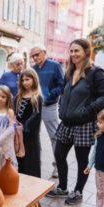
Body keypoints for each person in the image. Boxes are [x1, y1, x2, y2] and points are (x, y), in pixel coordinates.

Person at [47, 39, 104, 205]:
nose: (74, 54)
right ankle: (62, 187)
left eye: (77, 50)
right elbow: (64, 93)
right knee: (59, 154)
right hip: (66, 123)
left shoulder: (95, 72)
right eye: (71, 51)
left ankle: (78, 191)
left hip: (83, 124)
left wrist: (87, 110)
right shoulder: (69, 72)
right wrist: (62, 107)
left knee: (82, 160)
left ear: (86, 51)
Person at [31, 44, 64, 178]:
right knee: (33, 136)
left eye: (37, 54)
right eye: (33, 55)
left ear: (44, 52)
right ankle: (35, 163)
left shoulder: (55, 65)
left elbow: (62, 85)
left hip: (49, 106)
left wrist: (50, 95)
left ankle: (58, 166)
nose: (35, 57)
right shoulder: (32, 69)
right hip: (34, 107)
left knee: (54, 137)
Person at [14, 69, 43, 177]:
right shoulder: (18, 97)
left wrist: (25, 127)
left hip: (30, 135)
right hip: (17, 133)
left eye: (27, 79)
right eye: (23, 80)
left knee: (30, 159)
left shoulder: (37, 97)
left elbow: (36, 116)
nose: (25, 82)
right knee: (19, 157)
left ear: (34, 80)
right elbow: (14, 112)